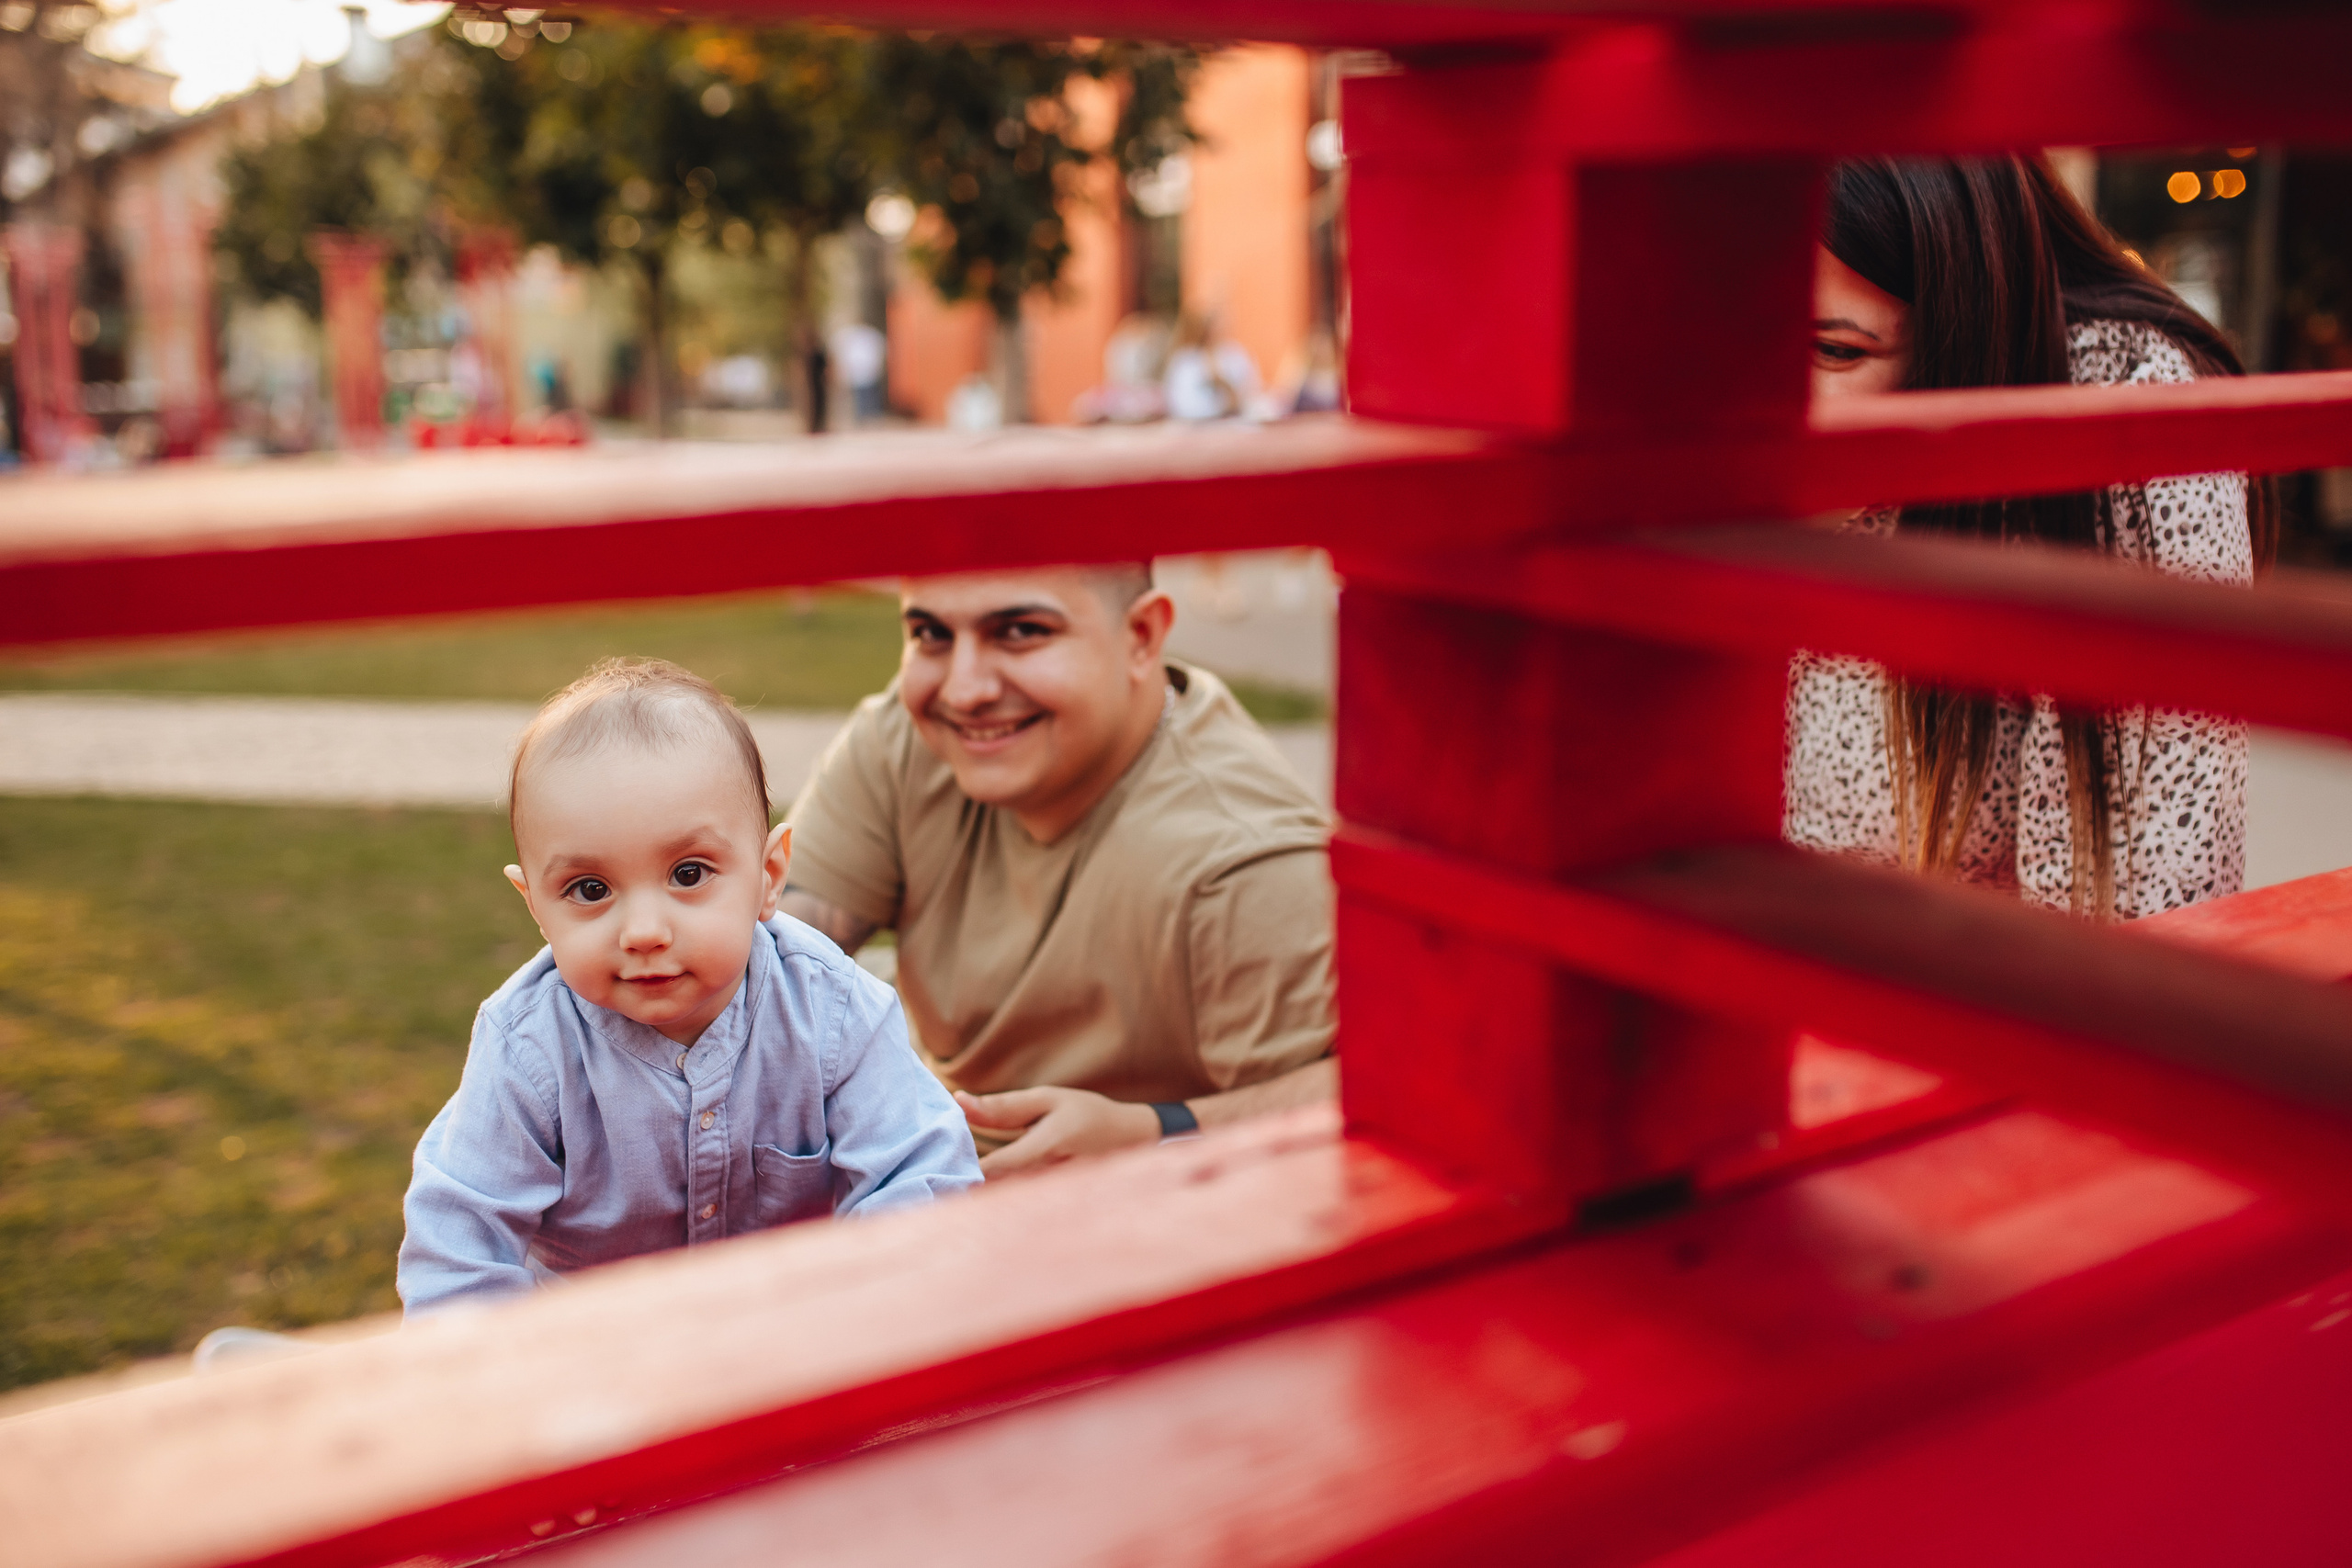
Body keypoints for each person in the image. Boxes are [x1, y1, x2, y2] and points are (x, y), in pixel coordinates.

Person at [399, 660, 978, 1315]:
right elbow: (459, 1248)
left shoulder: (834, 1010)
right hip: (597, 1354)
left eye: (689, 872)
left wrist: (863, 1313)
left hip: (795, 1333)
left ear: (768, 874)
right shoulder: (528, 1049)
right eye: (590, 889)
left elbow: (920, 1173)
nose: (644, 930)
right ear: (534, 904)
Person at [1787, 154, 2274, 919]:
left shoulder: (2115, 414)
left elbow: (2131, 910)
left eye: (1837, 351)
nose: (1763, 401)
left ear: (1959, 327)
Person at [780, 563, 1336, 1176]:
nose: (964, 690)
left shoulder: (1240, 865)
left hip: (1113, 1220)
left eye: (1019, 630)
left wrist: (1159, 1131)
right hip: (920, 1161)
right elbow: (763, 961)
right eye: (932, 634)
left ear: (1143, 637)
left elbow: (1385, 1092)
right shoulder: (908, 738)